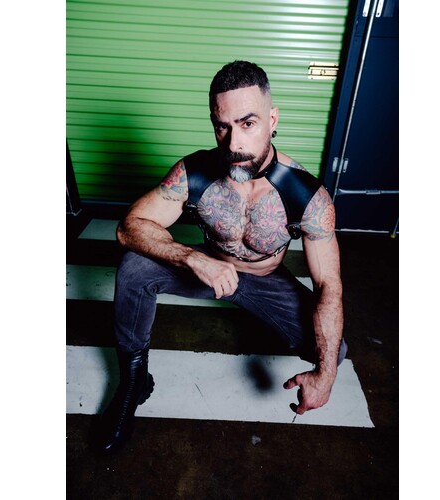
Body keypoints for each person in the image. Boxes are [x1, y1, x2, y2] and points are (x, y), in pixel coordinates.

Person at [92, 60, 347, 453]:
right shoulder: (194, 173)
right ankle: (134, 381)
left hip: (264, 279)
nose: (233, 143)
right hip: (209, 267)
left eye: (248, 124)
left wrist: (325, 375)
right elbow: (130, 227)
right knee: (134, 267)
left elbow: (329, 284)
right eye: (222, 126)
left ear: (272, 120)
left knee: (332, 351)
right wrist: (191, 258)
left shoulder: (307, 196)